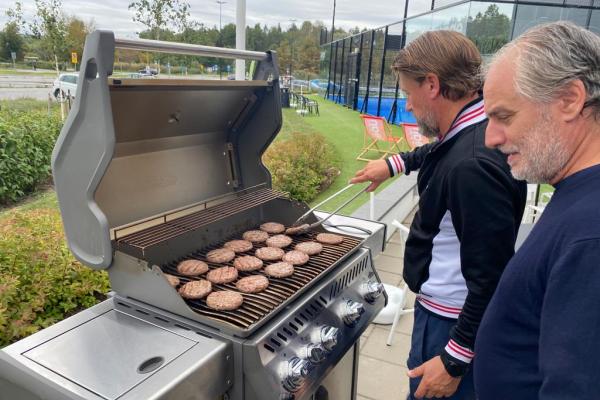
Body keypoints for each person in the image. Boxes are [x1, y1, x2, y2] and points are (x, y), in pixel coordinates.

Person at [350, 30, 526, 399]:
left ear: (432, 84)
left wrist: (454, 360)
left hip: (451, 325)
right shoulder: (476, 129)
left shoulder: (473, 167)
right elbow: (441, 150)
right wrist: (396, 163)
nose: (408, 106)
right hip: (448, 317)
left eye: (407, 93)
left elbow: (491, 278)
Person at [475, 21, 600, 399]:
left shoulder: (591, 233)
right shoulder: (576, 194)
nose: (491, 138)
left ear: (569, 99)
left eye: (504, 116)